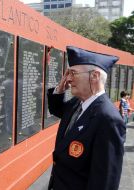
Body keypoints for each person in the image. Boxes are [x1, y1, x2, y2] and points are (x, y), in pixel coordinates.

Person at [47, 46, 126, 190]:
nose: (69, 79)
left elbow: (105, 180)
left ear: (94, 76)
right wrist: (59, 89)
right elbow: (57, 110)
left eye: (73, 73)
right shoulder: (77, 103)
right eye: (68, 73)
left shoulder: (108, 119)